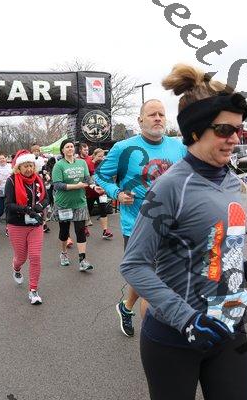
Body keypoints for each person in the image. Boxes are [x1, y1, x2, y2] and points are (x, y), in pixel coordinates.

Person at [120, 64, 247, 400]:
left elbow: (218, 244)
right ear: (195, 131)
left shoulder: (232, 181)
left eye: (238, 129)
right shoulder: (169, 187)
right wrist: (187, 319)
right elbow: (134, 265)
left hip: (228, 325)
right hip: (175, 337)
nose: (234, 138)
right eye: (224, 129)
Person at [95, 98, 187, 337]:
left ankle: (126, 307)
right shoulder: (123, 148)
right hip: (136, 226)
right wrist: (116, 193)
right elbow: (100, 175)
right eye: (152, 114)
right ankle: (154, 340)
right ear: (140, 120)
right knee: (153, 284)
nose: (158, 118)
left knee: (153, 279)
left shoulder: (178, 147)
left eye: (161, 114)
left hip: (172, 225)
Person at [5, 150, 48, 305]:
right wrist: (27, 210)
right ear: (18, 167)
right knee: (21, 258)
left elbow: (46, 198)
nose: (29, 169)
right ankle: (16, 268)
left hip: (35, 224)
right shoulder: (11, 181)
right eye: (25, 166)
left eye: (31, 165)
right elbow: (8, 205)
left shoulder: (38, 179)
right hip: (17, 224)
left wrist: (39, 206)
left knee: (35, 256)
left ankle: (33, 290)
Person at [51, 139, 95, 271]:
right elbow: (57, 185)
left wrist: (94, 186)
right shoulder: (59, 165)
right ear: (62, 150)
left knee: (80, 231)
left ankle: (82, 260)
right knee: (64, 232)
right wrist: (76, 186)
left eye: (71, 146)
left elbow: (87, 179)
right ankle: (64, 253)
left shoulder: (82, 163)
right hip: (64, 204)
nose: (70, 149)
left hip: (80, 203)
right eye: (67, 147)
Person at [86, 148, 113, 239]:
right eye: (99, 156)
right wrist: (94, 161)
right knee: (88, 210)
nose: (101, 158)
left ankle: (105, 231)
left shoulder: (103, 163)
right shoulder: (89, 163)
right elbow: (89, 174)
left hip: (101, 192)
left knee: (103, 210)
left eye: (102, 156)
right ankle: (84, 227)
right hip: (91, 191)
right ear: (94, 155)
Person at [41, 155, 57, 233]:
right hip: (47, 184)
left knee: (52, 199)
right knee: (48, 199)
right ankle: (46, 218)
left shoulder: (55, 166)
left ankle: (46, 220)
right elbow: (43, 174)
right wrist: (45, 177)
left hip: (53, 184)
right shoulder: (45, 167)